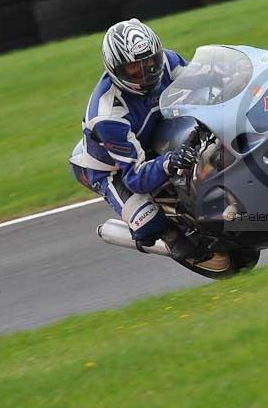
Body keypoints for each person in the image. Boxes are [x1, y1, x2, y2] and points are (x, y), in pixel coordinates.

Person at [69, 19, 229, 272]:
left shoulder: (168, 61)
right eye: (134, 70)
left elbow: (201, 89)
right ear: (115, 69)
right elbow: (134, 178)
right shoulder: (108, 114)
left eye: (150, 63)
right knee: (149, 225)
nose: (146, 74)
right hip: (114, 168)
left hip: (158, 132)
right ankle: (170, 236)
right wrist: (170, 161)